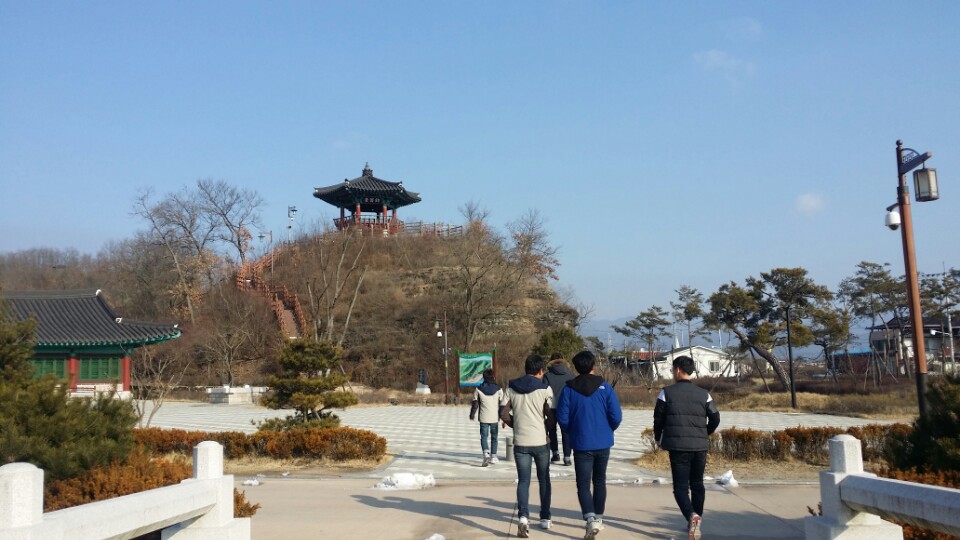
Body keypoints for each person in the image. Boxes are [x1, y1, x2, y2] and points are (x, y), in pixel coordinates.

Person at [653, 355, 721, 540]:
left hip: (678, 447)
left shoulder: (666, 393)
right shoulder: (704, 394)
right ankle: (696, 520)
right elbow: (715, 417)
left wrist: (658, 438)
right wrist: (705, 432)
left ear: (677, 370)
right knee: (697, 485)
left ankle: (691, 516)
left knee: (680, 488)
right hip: (699, 446)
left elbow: (658, 419)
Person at [556, 350, 622, 539]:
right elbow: (616, 416)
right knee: (600, 481)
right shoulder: (605, 388)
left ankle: (590, 518)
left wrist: (573, 431)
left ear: (576, 368)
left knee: (583, 483)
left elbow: (562, 417)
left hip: (581, 443)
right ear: (593, 365)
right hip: (603, 442)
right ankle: (598, 518)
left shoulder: (569, 389)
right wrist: (608, 429)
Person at [500, 354, 554, 538]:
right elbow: (551, 416)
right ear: (540, 371)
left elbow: (503, 413)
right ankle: (545, 517)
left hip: (521, 442)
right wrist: (546, 428)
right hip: (540, 441)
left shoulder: (511, 388)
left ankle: (523, 517)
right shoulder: (545, 389)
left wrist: (516, 424)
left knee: (523, 481)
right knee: (544, 480)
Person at [541, 352, 576, 465]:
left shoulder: (547, 375)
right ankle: (567, 457)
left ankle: (555, 454)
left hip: (551, 406)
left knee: (552, 430)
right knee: (566, 431)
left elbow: (543, 391)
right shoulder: (571, 374)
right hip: (566, 406)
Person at [469, 368, 505, 466]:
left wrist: (472, 414)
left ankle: (485, 454)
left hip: (483, 417)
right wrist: (504, 418)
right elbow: (502, 404)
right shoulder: (499, 389)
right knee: (494, 437)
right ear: (493, 377)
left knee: (484, 436)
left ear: (484, 378)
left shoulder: (478, 389)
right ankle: (493, 457)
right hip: (494, 418)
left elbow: (475, 403)